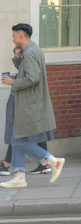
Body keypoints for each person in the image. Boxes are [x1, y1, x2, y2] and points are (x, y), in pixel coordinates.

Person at [0, 23, 65, 189]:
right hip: (30, 103)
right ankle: (19, 175)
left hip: (29, 105)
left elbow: (32, 78)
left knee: (19, 142)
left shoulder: (29, 53)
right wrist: (17, 58)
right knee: (17, 139)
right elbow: (28, 72)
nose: (12, 39)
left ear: (21, 35)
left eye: (14, 35)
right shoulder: (33, 50)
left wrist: (12, 82)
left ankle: (52, 160)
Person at [1, 46, 52, 177]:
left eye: (18, 55)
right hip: (26, 106)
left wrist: (12, 82)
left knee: (18, 137)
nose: (16, 58)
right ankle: (43, 164)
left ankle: (47, 161)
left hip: (25, 106)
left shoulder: (30, 60)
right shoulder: (26, 64)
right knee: (26, 136)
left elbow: (30, 81)